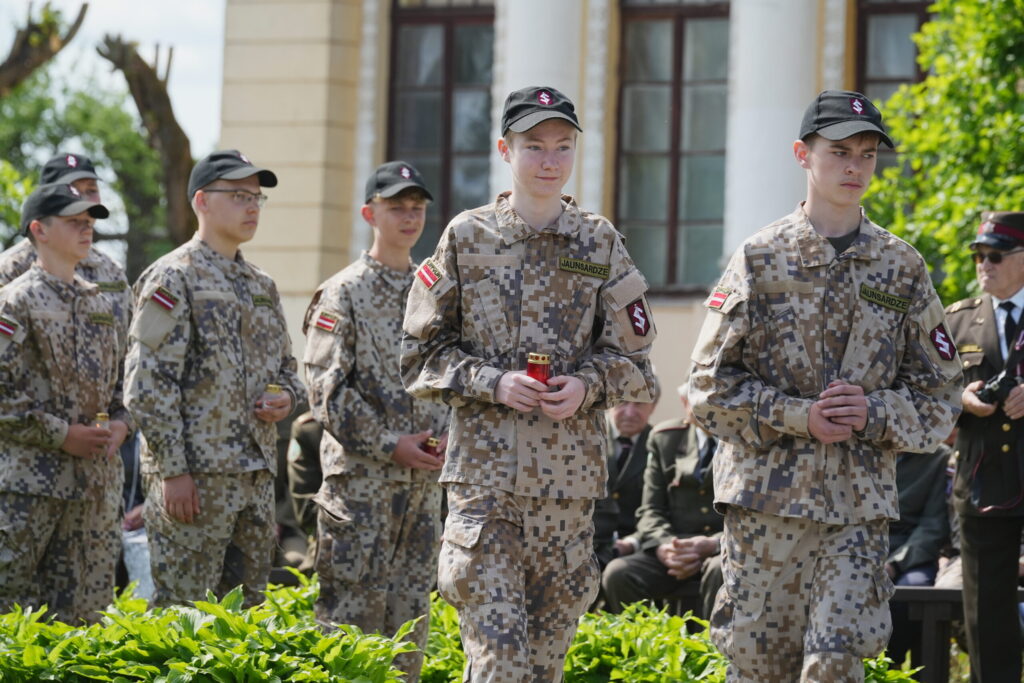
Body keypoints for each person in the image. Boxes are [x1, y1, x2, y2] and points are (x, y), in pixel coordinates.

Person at [688, 90, 963, 681]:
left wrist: (874, 411)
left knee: (836, 664)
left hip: (856, 513)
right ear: (802, 155)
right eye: (839, 151)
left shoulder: (901, 267)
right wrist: (796, 415)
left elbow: (941, 395)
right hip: (765, 512)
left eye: (867, 154)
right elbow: (707, 387)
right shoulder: (759, 259)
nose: (855, 167)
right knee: (760, 670)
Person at [401, 85, 658, 682]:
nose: (549, 160)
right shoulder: (467, 238)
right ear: (505, 150)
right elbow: (418, 356)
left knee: (544, 667)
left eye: (562, 147)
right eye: (534, 146)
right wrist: (493, 382)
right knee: (498, 663)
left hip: (567, 492)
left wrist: (587, 387)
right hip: (484, 489)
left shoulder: (600, 242)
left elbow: (637, 364)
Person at [124, 150, 305, 608]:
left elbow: (288, 368)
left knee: (246, 617)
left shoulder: (259, 284)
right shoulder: (173, 277)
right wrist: (175, 469)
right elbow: (147, 383)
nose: (251, 207)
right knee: (186, 614)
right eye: (240, 195)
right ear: (202, 201)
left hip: (255, 479)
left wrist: (286, 396)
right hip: (196, 481)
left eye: (257, 198)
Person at [302, 161, 449, 680]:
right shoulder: (343, 292)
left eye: (417, 208)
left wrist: (449, 436)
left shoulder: (433, 291)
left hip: (422, 491)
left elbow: (446, 377)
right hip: (362, 491)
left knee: (410, 633)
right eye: (396, 207)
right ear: (370, 213)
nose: (409, 217)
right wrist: (390, 444)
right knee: (350, 635)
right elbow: (325, 391)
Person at [0, 183, 132, 622]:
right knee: (14, 618)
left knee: (87, 620)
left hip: (94, 491)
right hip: (28, 490)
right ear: (39, 229)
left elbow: (120, 383)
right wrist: (62, 436)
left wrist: (121, 422)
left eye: (90, 222)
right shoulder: (14, 301)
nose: (86, 230)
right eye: (74, 222)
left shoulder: (100, 303)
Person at [945, 211, 1024, 682]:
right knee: (986, 620)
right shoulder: (957, 321)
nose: (984, 264)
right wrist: (961, 400)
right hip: (983, 486)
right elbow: (926, 393)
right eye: (978, 255)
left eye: (996, 255)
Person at [602, 381, 723, 619]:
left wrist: (713, 545)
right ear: (684, 402)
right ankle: (649, 649)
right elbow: (650, 510)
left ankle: (714, 652)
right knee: (619, 573)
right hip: (672, 548)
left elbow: (750, 516)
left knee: (721, 570)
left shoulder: (743, 444)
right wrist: (664, 546)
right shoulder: (666, 439)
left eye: (714, 399)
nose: (705, 407)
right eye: (697, 398)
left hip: (719, 549)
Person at [884, 443, 951, 667]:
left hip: (911, 549)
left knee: (912, 592)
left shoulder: (938, 456)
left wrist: (895, 564)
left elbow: (934, 524)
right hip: (860, 545)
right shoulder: (856, 449)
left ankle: (893, 666)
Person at [592, 378, 660, 570]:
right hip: (589, 543)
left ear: (653, 407)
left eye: (639, 404)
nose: (630, 413)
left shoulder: (663, 446)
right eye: (622, 402)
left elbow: (661, 509)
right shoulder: (589, 439)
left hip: (638, 549)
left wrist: (634, 542)